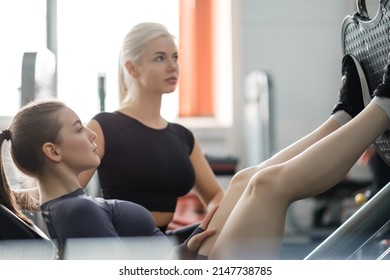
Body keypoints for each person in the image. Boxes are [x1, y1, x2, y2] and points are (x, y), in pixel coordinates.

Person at [2, 53, 390, 259]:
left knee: (242, 181)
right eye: (76, 129)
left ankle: (343, 119)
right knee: (267, 185)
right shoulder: (75, 211)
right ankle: (383, 107)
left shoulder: (71, 205)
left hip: (194, 262)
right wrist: (183, 256)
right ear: (52, 151)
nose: (89, 132)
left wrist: (183, 243)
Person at [78, 22, 224, 234]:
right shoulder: (104, 126)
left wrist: (214, 222)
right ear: (132, 68)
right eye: (160, 58)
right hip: (124, 244)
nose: (172, 66)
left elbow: (215, 196)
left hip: (166, 240)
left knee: (246, 185)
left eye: (175, 57)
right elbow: (66, 192)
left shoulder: (183, 136)